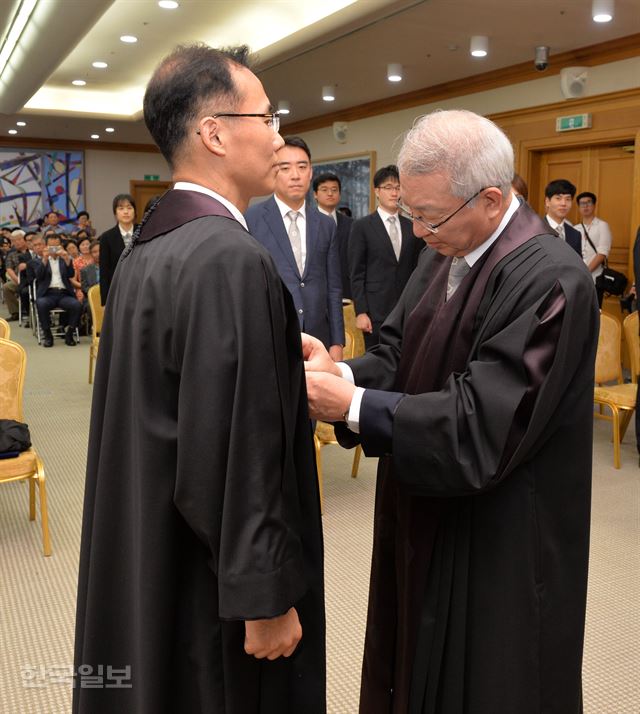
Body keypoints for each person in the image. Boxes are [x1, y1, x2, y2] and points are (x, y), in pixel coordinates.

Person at [303, 109, 598, 713]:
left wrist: (353, 404)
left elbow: (482, 421)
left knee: (487, 676)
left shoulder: (551, 280)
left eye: (428, 216)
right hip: (427, 499)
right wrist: (344, 373)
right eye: (410, 212)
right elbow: (398, 351)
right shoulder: (445, 250)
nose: (417, 231)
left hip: (503, 529)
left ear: (491, 200)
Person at [73, 43, 325, 714]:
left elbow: (189, 390)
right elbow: (230, 447)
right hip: (213, 581)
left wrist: (270, 350)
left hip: (156, 536)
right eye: (267, 118)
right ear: (215, 132)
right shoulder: (228, 257)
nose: (279, 137)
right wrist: (266, 596)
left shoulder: (155, 246)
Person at [246, 136, 344, 360]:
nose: (295, 175)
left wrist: (337, 341)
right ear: (273, 171)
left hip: (318, 338)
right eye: (285, 167)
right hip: (270, 335)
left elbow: (334, 287)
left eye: (302, 166)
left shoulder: (326, 224)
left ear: (311, 172)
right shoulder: (251, 219)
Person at [348, 165, 423, 348]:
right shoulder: (362, 226)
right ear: (377, 191)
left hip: (407, 308)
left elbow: (419, 269)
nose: (394, 193)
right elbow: (356, 272)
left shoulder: (412, 226)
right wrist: (361, 312)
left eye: (398, 188)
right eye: (388, 187)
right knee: (376, 359)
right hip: (375, 311)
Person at [34, 233, 82, 347]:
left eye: (56, 246)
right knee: (41, 304)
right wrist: (45, 259)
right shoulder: (39, 260)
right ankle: (48, 335)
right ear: (46, 246)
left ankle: (69, 334)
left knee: (77, 305)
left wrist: (66, 259)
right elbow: (39, 276)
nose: (54, 249)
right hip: (47, 294)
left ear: (61, 246)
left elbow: (71, 274)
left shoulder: (65, 259)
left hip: (64, 294)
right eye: (51, 247)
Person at [313, 171, 353, 299]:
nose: (330, 193)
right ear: (315, 194)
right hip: (316, 291)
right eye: (324, 190)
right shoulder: (306, 222)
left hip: (345, 292)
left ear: (339, 194)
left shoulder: (351, 224)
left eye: (334, 190)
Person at [575, 191, 613, 307]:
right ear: (578, 207)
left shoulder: (602, 226)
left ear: (594, 205)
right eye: (582, 204)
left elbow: (602, 253)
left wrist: (585, 272)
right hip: (577, 279)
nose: (585, 206)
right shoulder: (574, 228)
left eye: (588, 203)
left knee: (595, 311)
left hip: (596, 278)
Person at [98, 193, 136, 305]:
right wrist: (105, 302)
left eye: (129, 208)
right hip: (117, 290)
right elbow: (104, 272)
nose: (126, 212)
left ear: (134, 211)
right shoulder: (106, 237)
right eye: (121, 208)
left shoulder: (143, 232)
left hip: (140, 288)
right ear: (115, 213)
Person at [543, 179, 581, 256]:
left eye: (568, 199)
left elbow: (577, 265)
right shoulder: (535, 229)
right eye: (558, 198)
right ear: (547, 201)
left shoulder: (575, 235)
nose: (563, 203)